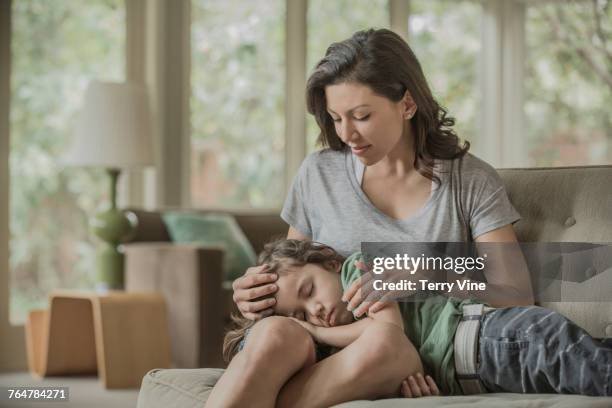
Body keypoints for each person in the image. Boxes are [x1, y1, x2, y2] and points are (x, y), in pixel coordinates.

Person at [224, 27, 535, 407]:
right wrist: (255, 295)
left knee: (384, 345)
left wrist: (423, 273)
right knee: (274, 333)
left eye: (361, 116)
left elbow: (516, 294)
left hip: (391, 354)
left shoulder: (470, 181)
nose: (347, 134)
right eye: (336, 118)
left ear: (406, 104)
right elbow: (292, 272)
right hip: (316, 349)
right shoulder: (319, 173)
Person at [212, 239, 611, 407]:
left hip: (495, 339)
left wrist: (312, 331)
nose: (314, 310)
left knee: (591, 368)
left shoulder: (360, 274)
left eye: (309, 291)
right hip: (476, 370)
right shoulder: (339, 344)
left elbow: (390, 335)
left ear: (330, 263)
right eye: (300, 315)